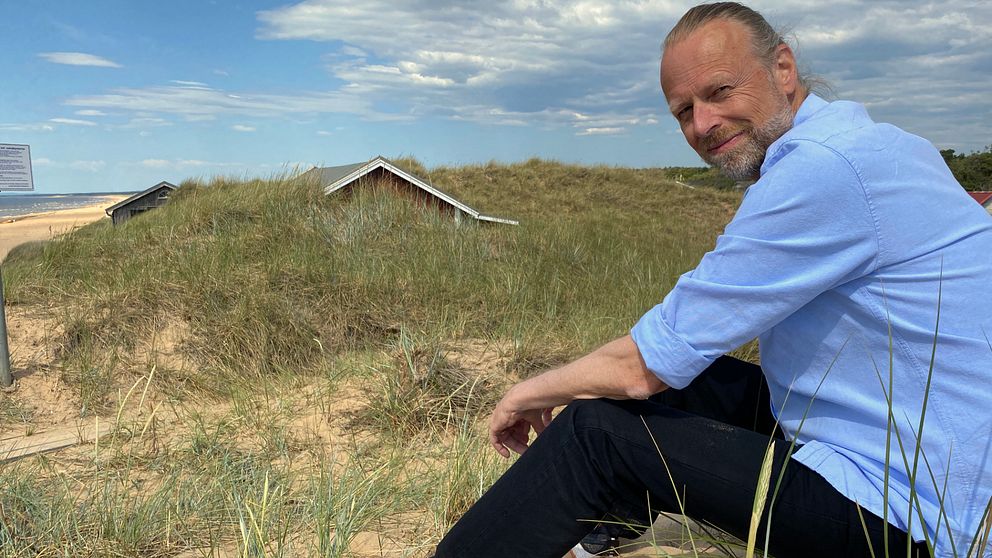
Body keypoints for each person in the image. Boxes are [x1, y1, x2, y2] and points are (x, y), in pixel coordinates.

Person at [432, 3, 992, 558]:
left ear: (783, 68)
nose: (702, 124)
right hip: (925, 451)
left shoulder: (822, 169)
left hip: (919, 517)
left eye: (720, 91)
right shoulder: (877, 143)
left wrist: (526, 390)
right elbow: (683, 344)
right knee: (697, 380)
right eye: (683, 111)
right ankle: (602, 530)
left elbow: (641, 367)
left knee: (594, 433)